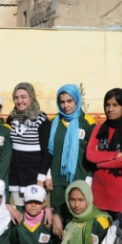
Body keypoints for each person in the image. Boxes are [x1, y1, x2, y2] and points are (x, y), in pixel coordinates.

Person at [85, 88, 122, 214]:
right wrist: (115, 154)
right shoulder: (99, 129)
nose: (110, 109)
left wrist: (99, 163)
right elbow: (90, 155)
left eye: (115, 105)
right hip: (98, 193)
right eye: (107, 105)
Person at [46, 84, 96, 222]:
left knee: (77, 218)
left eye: (69, 101)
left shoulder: (88, 123)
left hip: (79, 179)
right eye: (62, 102)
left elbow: (94, 154)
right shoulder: (54, 121)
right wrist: (48, 175)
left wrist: (88, 179)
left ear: (77, 100)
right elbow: (48, 151)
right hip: (57, 179)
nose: (65, 105)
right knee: (58, 218)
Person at [7, 82, 52, 208]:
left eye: (23, 97)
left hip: (35, 177)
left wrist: (41, 179)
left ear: (31, 97)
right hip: (16, 176)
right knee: (19, 213)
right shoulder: (11, 119)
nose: (19, 101)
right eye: (16, 97)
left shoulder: (41, 119)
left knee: (36, 214)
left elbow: (47, 153)